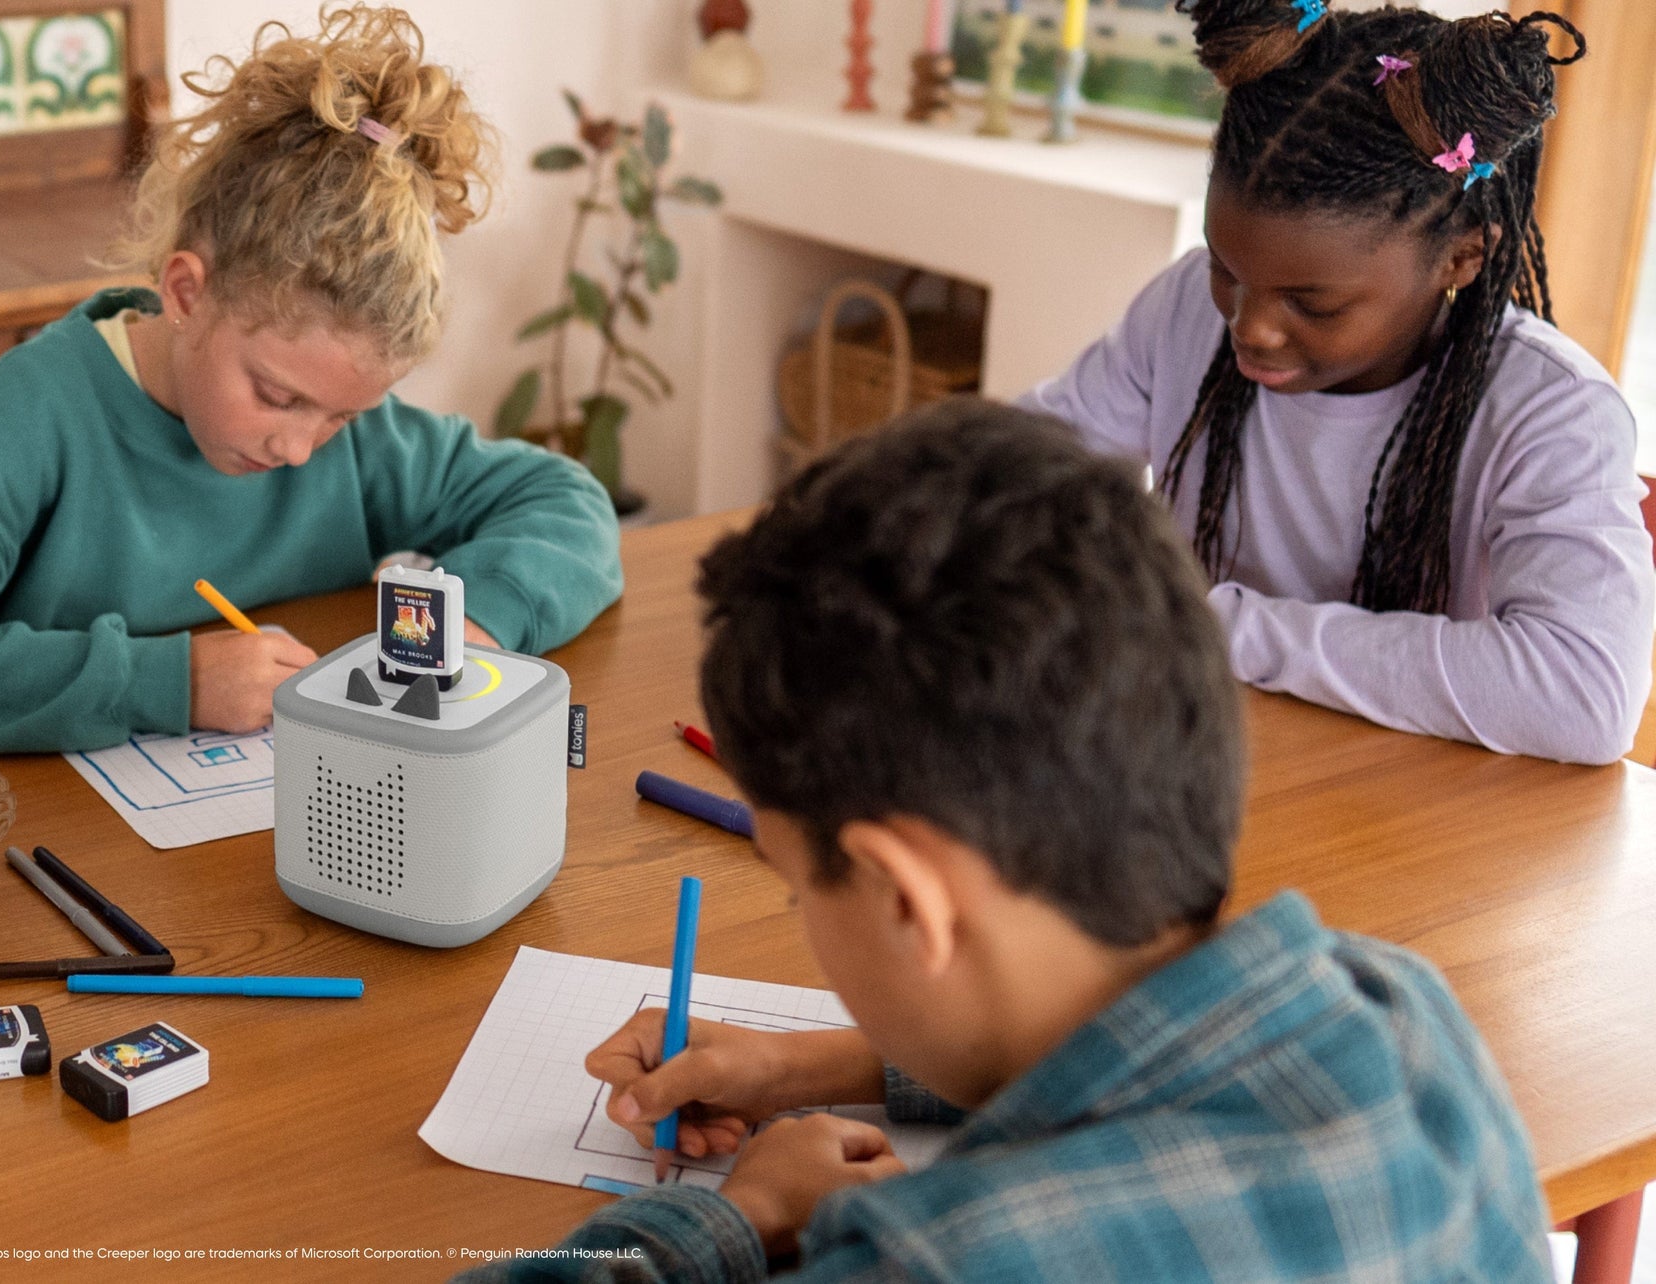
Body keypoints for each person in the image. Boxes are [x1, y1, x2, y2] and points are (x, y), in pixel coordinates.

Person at [459, 399, 1552, 1282]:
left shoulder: (929, 1257)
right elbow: (1129, 1050)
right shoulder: (1405, 1014)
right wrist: (815, 1066)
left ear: (904, 899)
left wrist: (738, 1219)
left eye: (798, 894)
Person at [0, 5, 621, 753]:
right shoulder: (39, 410)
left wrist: (477, 620)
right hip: (67, 848)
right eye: (277, 396)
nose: (302, 449)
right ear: (186, 292)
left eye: (339, 417)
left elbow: (568, 504)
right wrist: (174, 681)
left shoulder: (355, 436)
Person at [1018, 0, 1651, 765]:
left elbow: (1582, 696)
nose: (1249, 325)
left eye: (1312, 303)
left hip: (1421, 816)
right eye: (1227, 268)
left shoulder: (1552, 411)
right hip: (1198, 765)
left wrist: (1209, 625)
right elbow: (1029, 472)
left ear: (1462, 258)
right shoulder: (1190, 306)